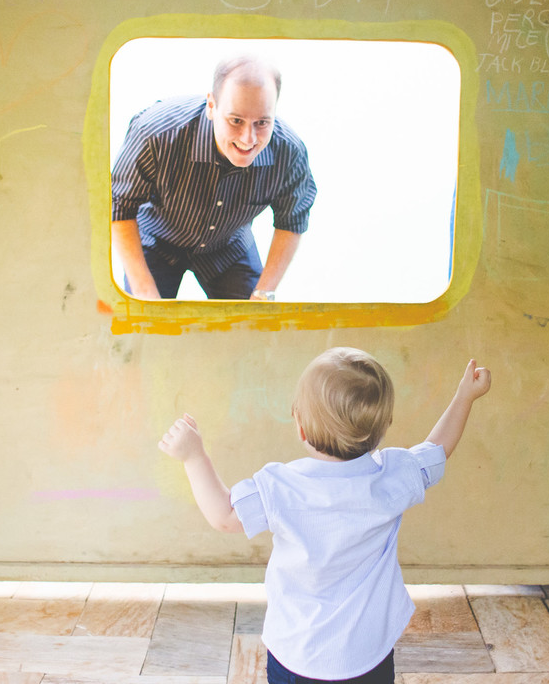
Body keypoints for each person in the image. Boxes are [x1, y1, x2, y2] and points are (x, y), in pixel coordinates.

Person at [157, 348, 492, 683]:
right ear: (384, 427)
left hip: (298, 655)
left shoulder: (281, 488)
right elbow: (438, 449)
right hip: (368, 655)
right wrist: (465, 397)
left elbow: (224, 516)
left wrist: (193, 456)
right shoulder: (393, 476)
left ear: (300, 428)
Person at [111, 56, 317, 301]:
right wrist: (145, 292)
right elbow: (119, 206)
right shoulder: (155, 132)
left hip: (229, 245)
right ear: (211, 105)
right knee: (145, 330)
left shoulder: (289, 152)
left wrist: (264, 293)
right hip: (156, 239)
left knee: (252, 330)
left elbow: (292, 221)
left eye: (262, 122)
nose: (248, 139)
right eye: (236, 120)